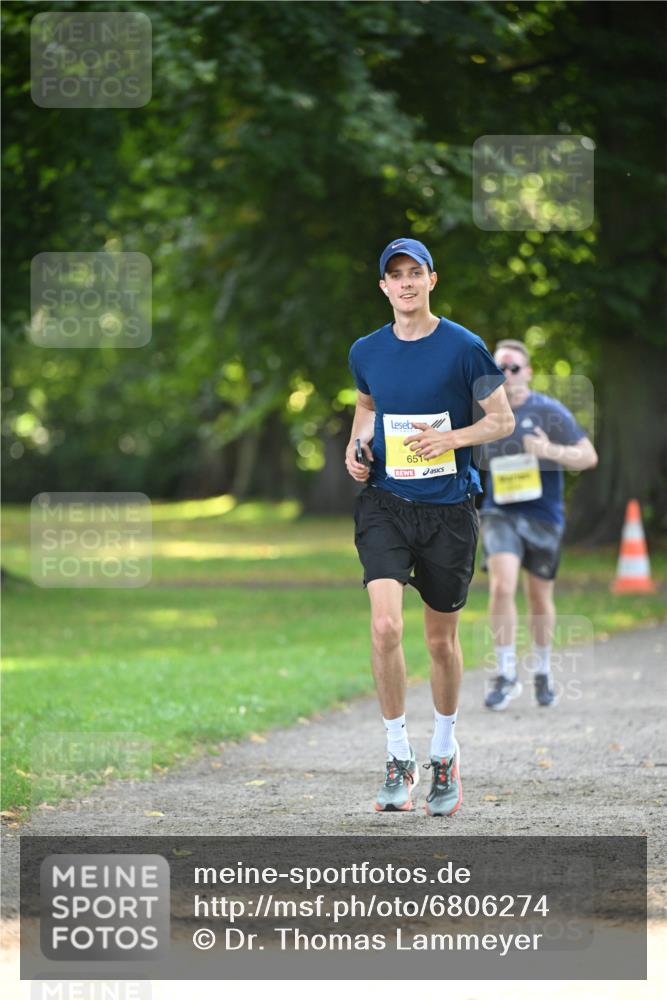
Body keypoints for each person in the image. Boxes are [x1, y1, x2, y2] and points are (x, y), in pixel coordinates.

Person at [345, 237, 514, 816]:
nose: (406, 283)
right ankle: (398, 755)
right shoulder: (366, 350)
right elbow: (367, 406)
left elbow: (501, 420)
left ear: (431, 280)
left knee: (440, 641)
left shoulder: (464, 347)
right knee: (386, 627)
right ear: (384, 287)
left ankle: (444, 751)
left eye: (415, 272)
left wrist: (452, 439)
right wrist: (355, 445)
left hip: (449, 508)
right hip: (386, 502)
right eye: (395, 275)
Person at [477, 339, 598, 711]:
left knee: (538, 597)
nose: (507, 375)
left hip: (543, 517)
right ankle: (506, 672)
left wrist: (548, 451)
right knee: (501, 586)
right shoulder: (485, 415)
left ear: (527, 372)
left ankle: (543, 671)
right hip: (500, 513)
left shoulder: (548, 411)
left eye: (514, 368)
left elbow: (588, 456)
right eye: (500, 368)